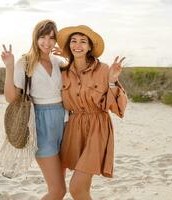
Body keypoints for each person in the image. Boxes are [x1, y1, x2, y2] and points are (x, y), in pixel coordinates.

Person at [57, 25, 127, 200]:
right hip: (74, 128)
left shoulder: (104, 69)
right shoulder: (63, 72)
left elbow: (118, 107)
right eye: (73, 41)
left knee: (76, 188)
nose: (77, 45)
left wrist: (112, 81)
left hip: (98, 128)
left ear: (90, 47)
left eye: (83, 41)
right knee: (83, 189)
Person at [1, 19, 66, 200]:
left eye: (52, 38)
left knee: (60, 187)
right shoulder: (26, 62)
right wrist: (9, 66)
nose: (47, 42)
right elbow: (11, 98)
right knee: (58, 190)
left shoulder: (58, 61)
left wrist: (67, 54)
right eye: (43, 37)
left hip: (64, 122)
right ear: (35, 38)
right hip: (41, 125)